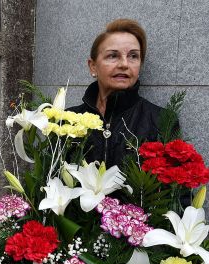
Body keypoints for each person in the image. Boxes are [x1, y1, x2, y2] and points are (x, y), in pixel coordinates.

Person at [67, 19, 175, 168]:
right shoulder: (67, 120)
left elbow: (175, 187)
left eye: (133, 56)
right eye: (113, 55)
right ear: (93, 67)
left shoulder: (161, 121)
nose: (124, 64)